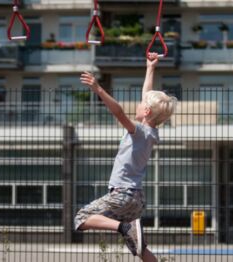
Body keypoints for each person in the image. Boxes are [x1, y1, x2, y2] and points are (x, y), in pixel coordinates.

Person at [74, 52, 177, 261]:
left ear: (146, 111)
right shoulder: (151, 132)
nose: (137, 105)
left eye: (141, 104)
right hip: (136, 198)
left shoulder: (138, 131)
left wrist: (99, 89)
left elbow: (119, 113)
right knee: (139, 248)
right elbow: (146, 93)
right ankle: (129, 229)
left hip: (122, 194)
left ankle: (124, 227)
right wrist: (150, 67)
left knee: (81, 218)